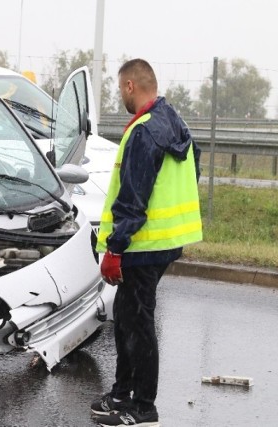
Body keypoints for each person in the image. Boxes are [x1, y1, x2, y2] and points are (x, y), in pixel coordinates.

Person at [91, 59, 203, 426]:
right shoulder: (174, 122)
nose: (118, 94)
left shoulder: (144, 130)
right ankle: (123, 392)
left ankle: (142, 407)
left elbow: (132, 199)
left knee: (137, 322)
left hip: (143, 245)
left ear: (129, 87)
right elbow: (194, 163)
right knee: (126, 316)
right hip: (164, 241)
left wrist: (115, 248)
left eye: (118, 88)